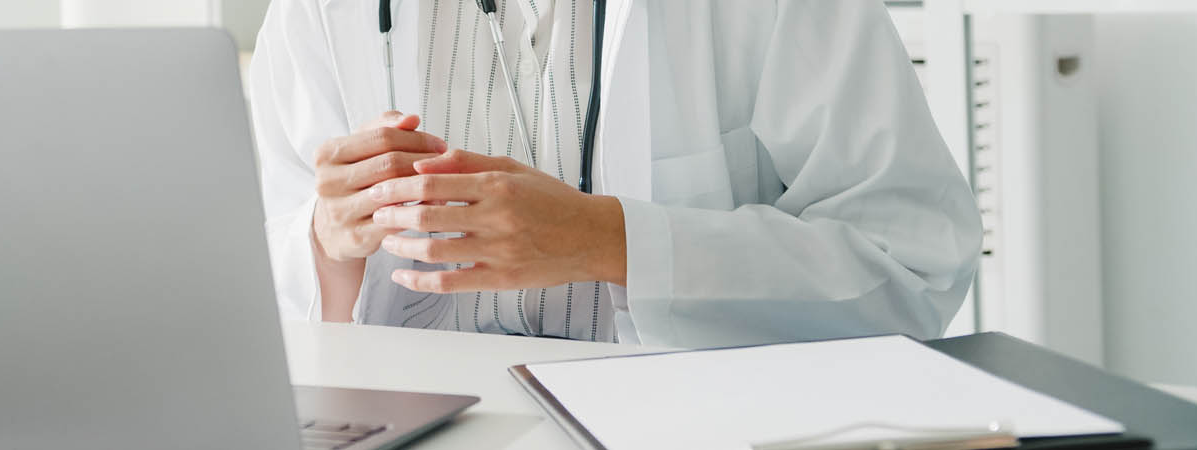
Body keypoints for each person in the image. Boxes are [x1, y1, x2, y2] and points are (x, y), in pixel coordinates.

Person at [246, 0, 982, 348]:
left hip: (677, 421)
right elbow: (243, 298)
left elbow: (912, 265)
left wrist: (611, 240)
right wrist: (325, 239)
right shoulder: (318, 13)